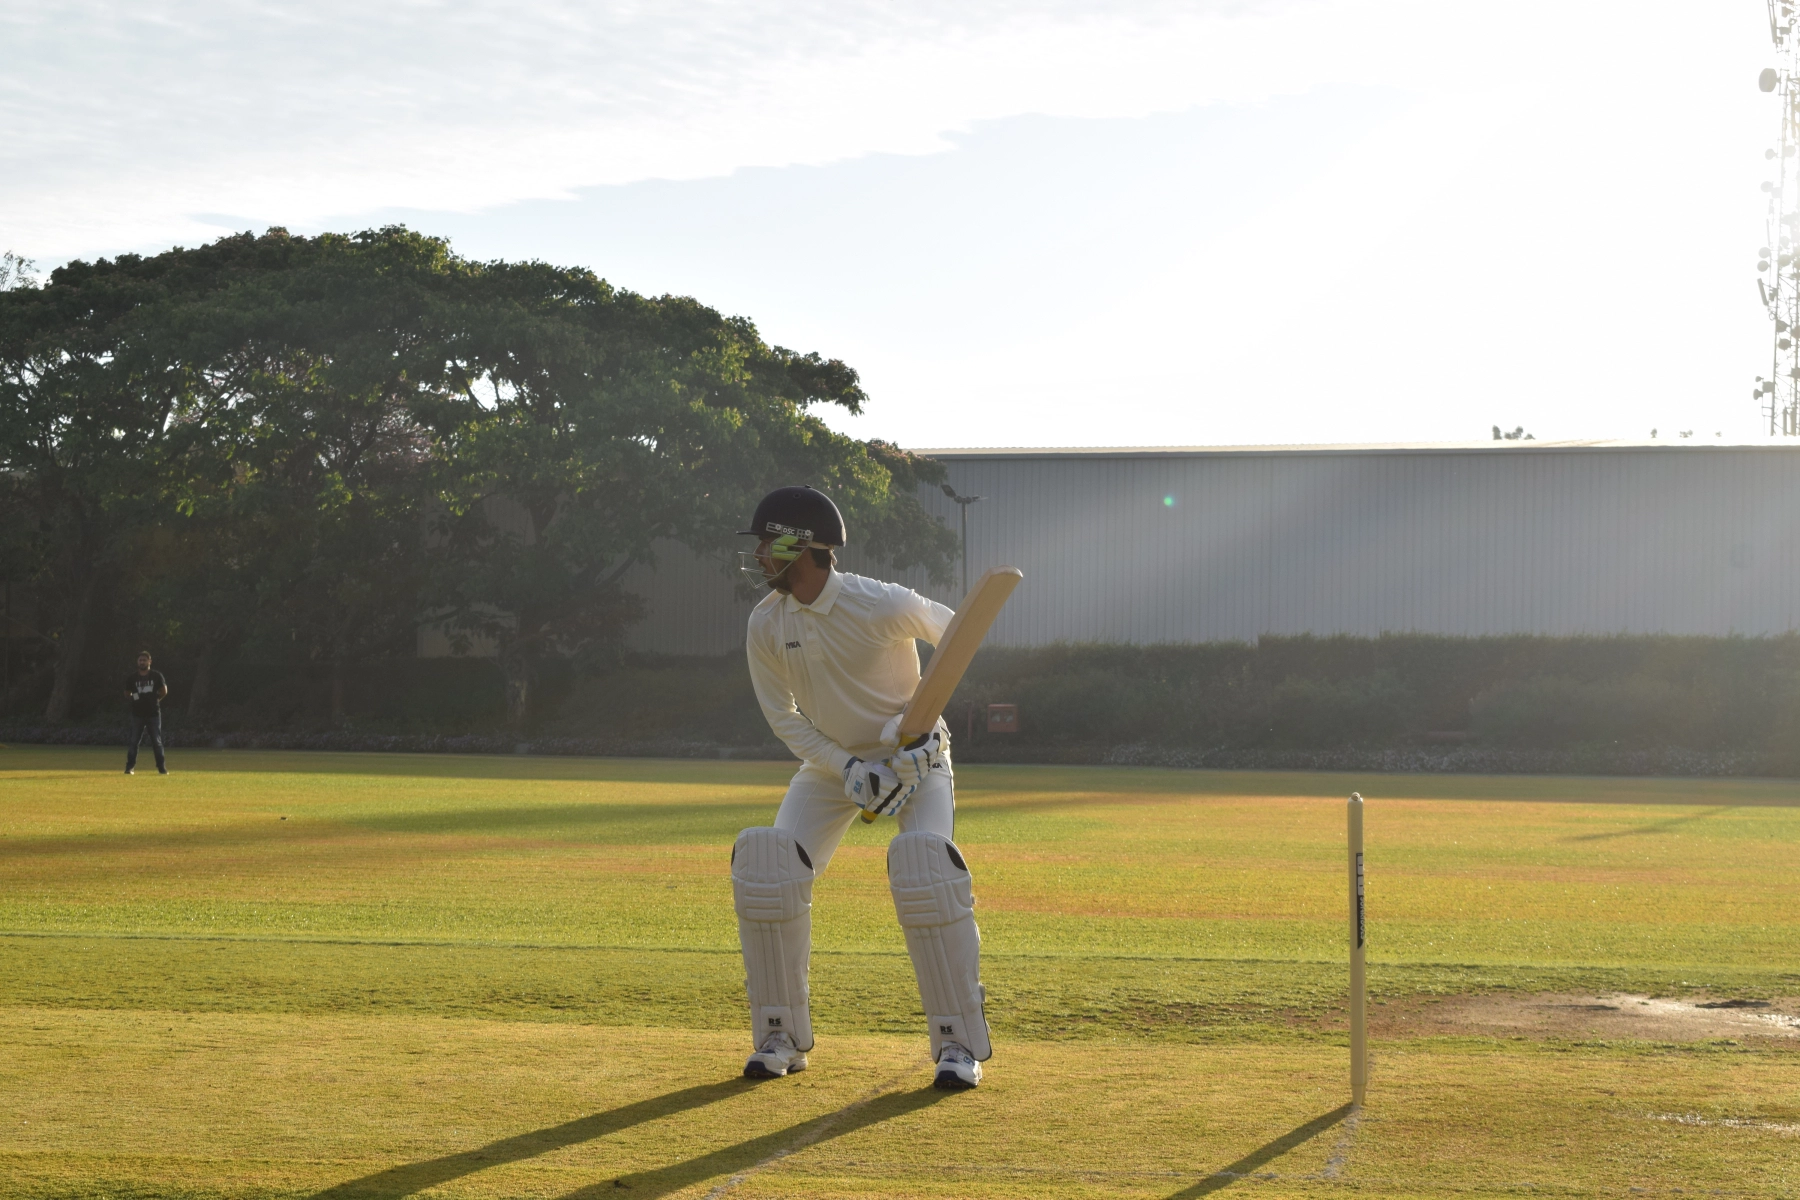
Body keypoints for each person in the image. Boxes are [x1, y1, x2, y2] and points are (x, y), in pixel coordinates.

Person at [730, 485, 989, 1090]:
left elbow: (957, 637)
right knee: (771, 871)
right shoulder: (767, 622)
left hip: (915, 762)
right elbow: (783, 716)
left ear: (803, 545)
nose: (762, 556)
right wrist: (847, 767)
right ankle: (780, 1036)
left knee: (927, 872)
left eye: (770, 543)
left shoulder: (880, 602)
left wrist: (918, 733)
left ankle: (959, 1045)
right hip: (830, 766)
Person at [124, 651, 169, 775]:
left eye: (144, 660)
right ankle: (129, 768)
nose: (142, 662)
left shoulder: (156, 676)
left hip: (153, 714)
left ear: (150, 661)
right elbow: (127, 693)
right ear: (137, 662)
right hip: (137, 714)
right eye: (140, 660)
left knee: (157, 741)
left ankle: (162, 768)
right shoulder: (132, 678)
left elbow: (164, 690)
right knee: (134, 741)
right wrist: (136, 699)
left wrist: (155, 699)